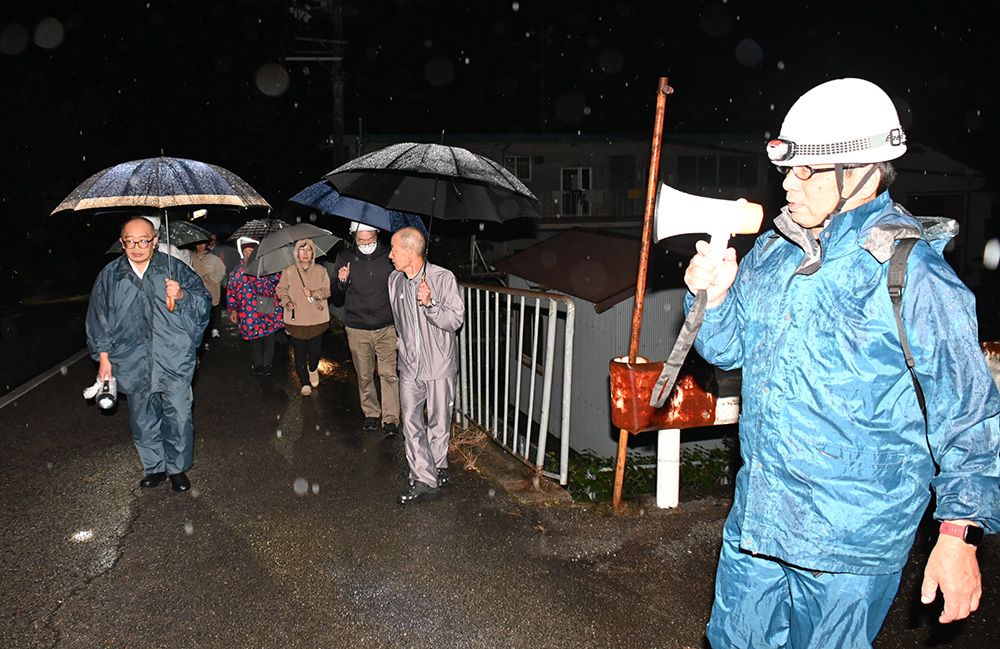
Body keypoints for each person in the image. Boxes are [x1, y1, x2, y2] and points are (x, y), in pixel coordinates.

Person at [683, 78, 1000, 648]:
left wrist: (958, 537)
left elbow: (969, 415)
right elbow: (727, 351)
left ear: (861, 172)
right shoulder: (780, 249)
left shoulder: (913, 275)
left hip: (851, 544)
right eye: (786, 167)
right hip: (760, 523)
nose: (787, 184)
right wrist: (717, 296)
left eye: (806, 171)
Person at [85, 217, 211, 492]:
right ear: (122, 242)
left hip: (174, 358)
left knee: (178, 416)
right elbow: (99, 318)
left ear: (155, 240)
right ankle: (154, 467)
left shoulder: (173, 268)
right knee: (142, 419)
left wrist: (182, 296)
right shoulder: (110, 276)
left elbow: (203, 302)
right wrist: (104, 360)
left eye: (144, 240)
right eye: (130, 241)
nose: (137, 246)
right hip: (131, 360)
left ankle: (177, 468)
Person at [387, 227, 465, 504]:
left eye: (394, 250)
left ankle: (438, 465)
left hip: (439, 364)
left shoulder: (443, 278)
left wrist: (430, 304)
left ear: (410, 252)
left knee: (439, 422)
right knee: (411, 423)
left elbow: (455, 321)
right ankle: (423, 479)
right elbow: (401, 324)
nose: (390, 255)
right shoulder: (394, 281)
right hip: (409, 365)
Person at [329, 222, 401, 437]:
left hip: (387, 325)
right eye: (361, 240)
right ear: (353, 237)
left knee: (389, 374)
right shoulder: (345, 257)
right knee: (364, 373)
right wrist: (342, 282)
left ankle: (391, 419)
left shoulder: (390, 255)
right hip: (357, 326)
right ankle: (371, 412)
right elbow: (336, 296)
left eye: (371, 239)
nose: (367, 243)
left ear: (377, 235)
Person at [276, 238, 331, 396]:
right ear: (296, 253)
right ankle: (304, 382)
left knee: (315, 351)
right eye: (302, 250)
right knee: (299, 352)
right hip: (296, 319)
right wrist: (286, 301)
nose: (305, 254)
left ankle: (313, 369)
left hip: (317, 318)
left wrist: (314, 293)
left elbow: (327, 291)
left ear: (313, 253)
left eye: (308, 250)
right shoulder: (289, 271)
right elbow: (281, 289)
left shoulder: (321, 271)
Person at [226, 237, 284, 375]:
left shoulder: (266, 267)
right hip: (248, 311)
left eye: (251, 250)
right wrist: (233, 309)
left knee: (270, 336)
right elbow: (231, 290)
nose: (248, 253)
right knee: (255, 338)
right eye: (245, 251)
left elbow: (276, 283)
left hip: (267, 307)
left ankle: (267, 364)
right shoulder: (237, 271)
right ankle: (258, 364)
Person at [191, 238, 226, 346]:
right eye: (198, 244)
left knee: (214, 309)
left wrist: (208, 277)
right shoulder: (191, 258)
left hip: (211, 289)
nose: (200, 246)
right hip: (197, 291)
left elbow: (221, 272)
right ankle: (204, 337)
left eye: (202, 244)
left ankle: (214, 329)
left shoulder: (214, 259)